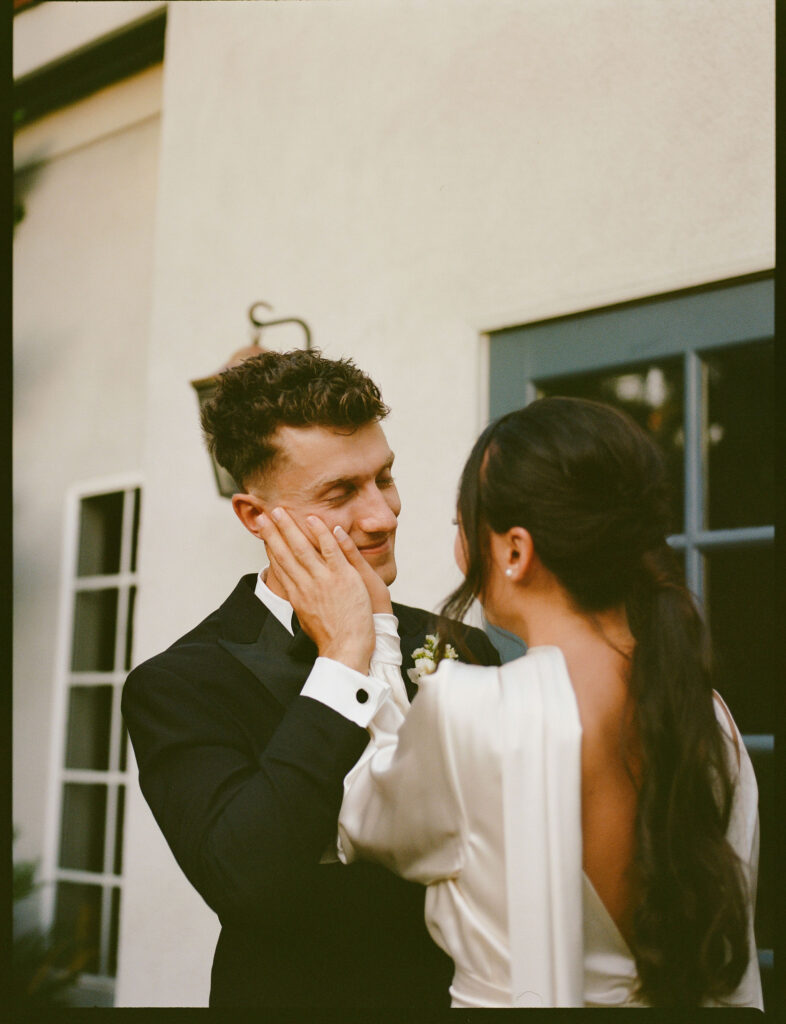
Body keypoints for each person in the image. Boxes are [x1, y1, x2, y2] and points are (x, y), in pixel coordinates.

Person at [257, 396, 763, 1009]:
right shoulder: (710, 719)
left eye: (460, 526)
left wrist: (370, 637)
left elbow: (364, 812)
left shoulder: (476, 715)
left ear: (515, 552)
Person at [121, 349, 500, 1008]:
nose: (383, 515)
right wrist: (345, 655)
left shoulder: (460, 645)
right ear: (256, 518)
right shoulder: (179, 685)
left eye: (384, 477)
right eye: (341, 492)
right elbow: (246, 881)